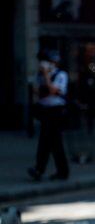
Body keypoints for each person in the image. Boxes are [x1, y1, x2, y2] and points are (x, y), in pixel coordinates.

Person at [28, 50, 70, 181]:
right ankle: (58, 171)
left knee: (49, 141)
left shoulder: (61, 75)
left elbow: (53, 90)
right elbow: (37, 92)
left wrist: (46, 75)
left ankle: (41, 169)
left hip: (56, 111)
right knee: (50, 142)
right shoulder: (41, 76)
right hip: (45, 111)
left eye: (46, 61)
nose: (43, 64)